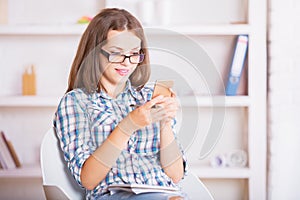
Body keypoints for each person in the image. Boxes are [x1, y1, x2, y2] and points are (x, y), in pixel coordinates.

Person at [53, 8, 188, 200]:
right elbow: (88, 180)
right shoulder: (76, 102)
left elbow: (176, 175)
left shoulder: (148, 96)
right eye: (116, 53)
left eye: (134, 53)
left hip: (167, 195)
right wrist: (128, 125)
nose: (126, 63)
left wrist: (165, 123)